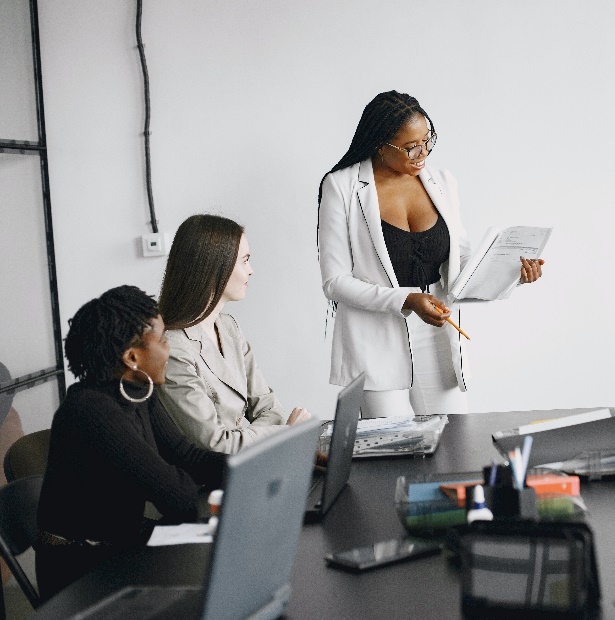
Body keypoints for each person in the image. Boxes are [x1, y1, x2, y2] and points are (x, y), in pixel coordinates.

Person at [318, 91, 544, 417]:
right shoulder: (342, 187)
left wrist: (513, 272)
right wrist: (406, 300)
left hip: (437, 330)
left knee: (454, 443)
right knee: (392, 448)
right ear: (380, 145)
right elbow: (335, 282)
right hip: (377, 336)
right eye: (411, 147)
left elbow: (461, 263)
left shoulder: (442, 182)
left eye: (427, 140)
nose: (422, 152)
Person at [36, 286, 226, 599]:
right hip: (82, 577)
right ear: (132, 357)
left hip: (121, 548)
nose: (169, 349)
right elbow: (177, 498)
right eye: (163, 339)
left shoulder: (136, 393)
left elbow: (188, 456)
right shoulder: (90, 411)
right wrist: (190, 483)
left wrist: (255, 466)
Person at [157, 214, 311, 453]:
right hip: (209, 481)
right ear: (214, 266)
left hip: (248, 463)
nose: (251, 271)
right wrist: (285, 433)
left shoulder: (229, 327)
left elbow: (270, 408)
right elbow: (216, 444)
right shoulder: (173, 349)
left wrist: (248, 437)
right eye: (245, 261)